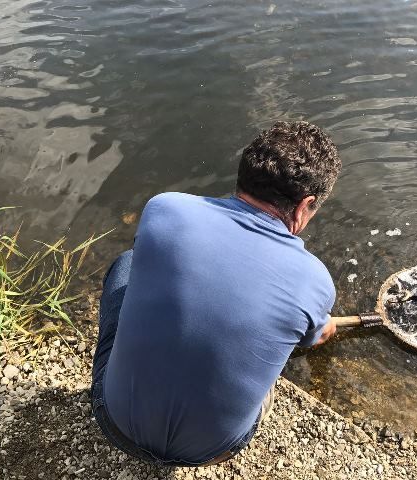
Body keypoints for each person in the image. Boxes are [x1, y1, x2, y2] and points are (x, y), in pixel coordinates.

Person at [91, 121, 342, 467]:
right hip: (213, 451)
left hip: (115, 424)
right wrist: (321, 326)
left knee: (127, 262)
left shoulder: (165, 209)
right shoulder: (315, 282)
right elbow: (313, 337)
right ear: (304, 206)